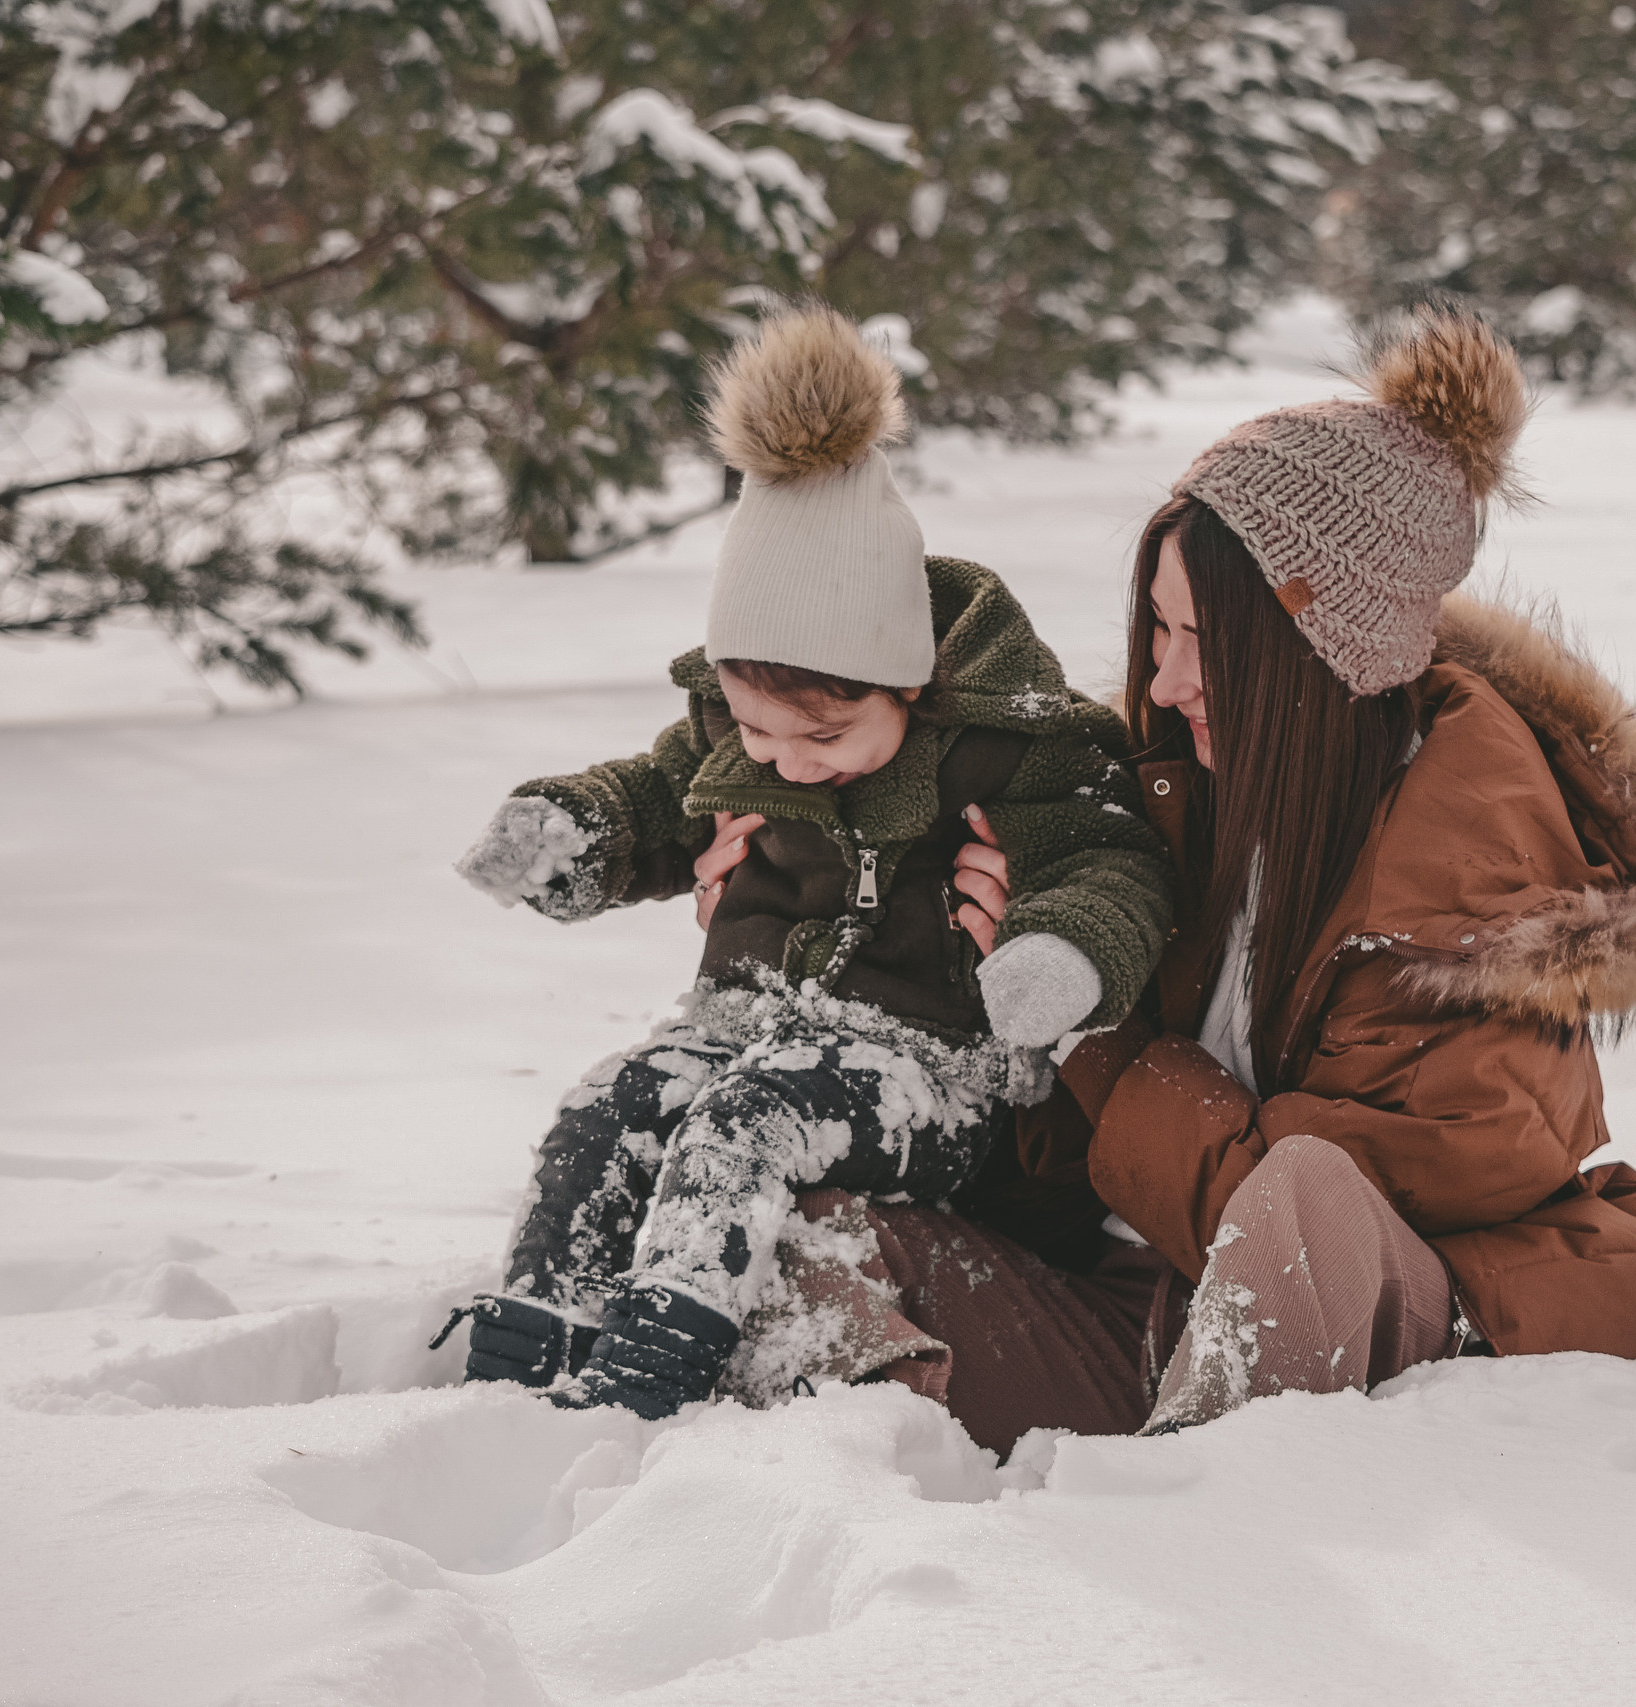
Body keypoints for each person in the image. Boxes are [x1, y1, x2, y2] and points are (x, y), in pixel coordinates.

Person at [675, 307, 1636, 1450]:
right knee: (804, 1227)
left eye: (1203, 638)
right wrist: (818, 915)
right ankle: (888, 1496)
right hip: (1141, 1319)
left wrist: (1094, 1031)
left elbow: (1278, 1220)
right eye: (1159, 630)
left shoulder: (1489, 884)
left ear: (1326, 651)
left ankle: (1198, 1532)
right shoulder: (1183, 797)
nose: (1166, 681)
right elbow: (1053, 1154)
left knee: (1307, 1193)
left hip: (1403, 1346)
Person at [438, 307, 1173, 1419]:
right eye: (754, 732)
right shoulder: (738, 735)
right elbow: (655, 799)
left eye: (821, 739)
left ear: (908, 685)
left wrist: (1061, 948)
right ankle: (537, 1346)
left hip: (928, 1074)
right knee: (613, 1107)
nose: (781, 762)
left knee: (749, 1122)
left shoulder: (1015, 749)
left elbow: (1109, 860)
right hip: (745, 1025)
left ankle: (653, 1372)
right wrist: (572, 834)